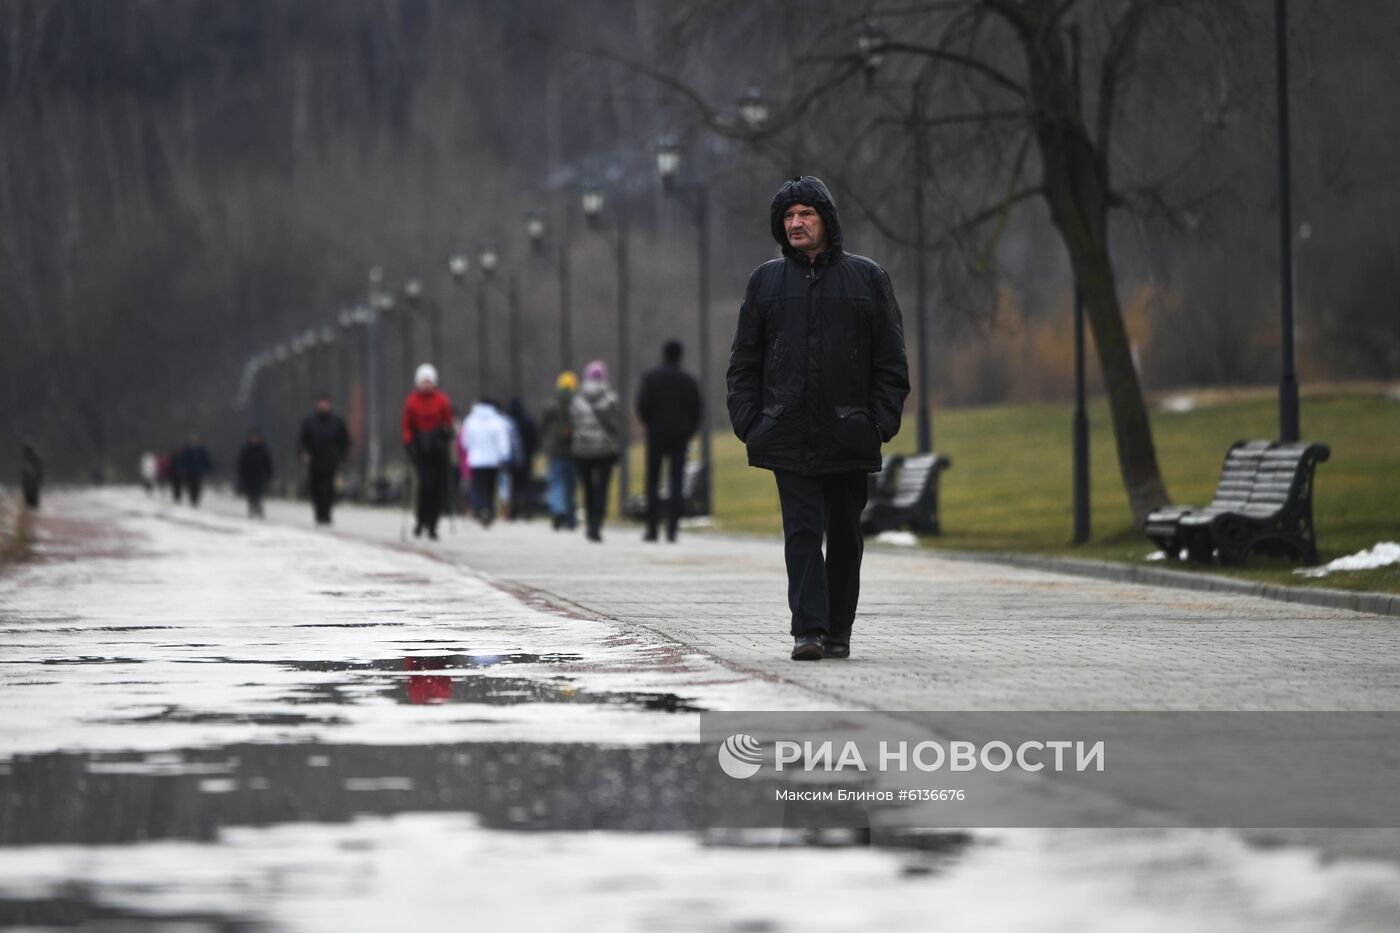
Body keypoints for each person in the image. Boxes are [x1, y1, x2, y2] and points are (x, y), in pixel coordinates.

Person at [726, 176, 909, 661]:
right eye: (788, 217)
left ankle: (838, 631)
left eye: (805, 214)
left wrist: (878, 423)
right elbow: (744, 360)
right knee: (802, 532)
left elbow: (891, 361)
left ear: (826, 220)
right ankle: (807, 630)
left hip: (849, 432)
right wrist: (751, 420)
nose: (796, 223)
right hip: (787, 431)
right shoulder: (764, 282)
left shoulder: (867, 278)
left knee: (845, 535)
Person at [636, 339, 702, 542]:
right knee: (676, 482)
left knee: (653, 480)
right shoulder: (688, 380)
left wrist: (650, 422)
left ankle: (652, 528)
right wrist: (688, 430)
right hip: (680, 435)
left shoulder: (651, 378)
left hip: (656, 433)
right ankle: (672, 529)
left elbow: (642, 404)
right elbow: (697, 409)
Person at [401, 363, 454, 540]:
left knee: (438, 487)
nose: (426, 385)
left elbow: (448, 421)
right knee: (424, 485)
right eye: (424, 381)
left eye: (429, 381)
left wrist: (447, 433)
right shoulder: (412, 401)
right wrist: (409, 442)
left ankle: (433, 523)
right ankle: (421, 519)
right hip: (421, 450)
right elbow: (407, 425)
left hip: (437, 450)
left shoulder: (441, 400)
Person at [570, 360, 621, 543]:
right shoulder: (611, 398)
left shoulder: (577, 399)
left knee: (588, 488)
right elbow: (615, 425)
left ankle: (590, 521)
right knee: (602, 488)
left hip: (582, 449)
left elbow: (574, 423)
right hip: (604, 449)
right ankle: (597, 523)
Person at [298, 393, 350, 525]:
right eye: (321, 403)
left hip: (331, 460)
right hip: (314, 460)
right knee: (315, 488)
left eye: (325, 403)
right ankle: (318, 512)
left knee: (329, 488)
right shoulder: (309, 422)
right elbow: (302, 440)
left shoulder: (337, 421)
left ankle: (327, 513)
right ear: (317, 404)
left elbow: (344, 440)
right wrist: (304, 453)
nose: (323, 405)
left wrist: (343, 455)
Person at [461, 397, 513, 527]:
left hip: (476, 460)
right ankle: (488, 509)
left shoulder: (470, 420)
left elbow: (465, 441)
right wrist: (504, 455)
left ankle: (479, 509)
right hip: (492, 460)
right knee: (490, 487)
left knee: (478, 486)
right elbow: (503, 440)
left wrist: (470, 451)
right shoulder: (497, 420)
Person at [539, 371, 578, 531]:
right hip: (574, 449)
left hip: (555, 450)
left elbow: (543, 427)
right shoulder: (577, 404)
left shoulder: (550, 404)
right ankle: (570, 517)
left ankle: (558, 510)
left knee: (556, 482)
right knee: (571, 484)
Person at [505, 398, 539, 520]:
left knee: (512, 485)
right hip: (526, 458)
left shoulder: (508, 422)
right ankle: (526, 510)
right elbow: (535, 439)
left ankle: (513, 511)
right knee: (525, 485)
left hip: (512, 459)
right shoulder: (528, 421)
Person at [236, 430, 275, 518]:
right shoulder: (246, 449)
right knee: (250, 493)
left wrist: (269, 474)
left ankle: (258, 508)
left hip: (260, 475)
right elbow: (241, 463)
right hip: (249, 475)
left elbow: (268, 463)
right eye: (253, 438)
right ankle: (252, 508)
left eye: (256, 438)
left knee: (259, 493)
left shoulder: (263, 449)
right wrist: (241, 474)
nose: (255, 439)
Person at [176, 434, 212, 507]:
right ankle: (192, 498)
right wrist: (183, 468)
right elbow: (183, 460)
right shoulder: (187, 450)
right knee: (190, 486)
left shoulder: (202, 450)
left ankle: (195, 499)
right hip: (189, 471)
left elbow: (206, 460)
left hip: (199, 471)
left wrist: (208, 468)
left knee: (198, 486)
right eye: (194, 440)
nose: (195, 442)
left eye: (196, 440)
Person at [19, 442, 42, 509]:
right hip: (30, 481)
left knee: (31, 496)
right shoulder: (27, 458)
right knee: (31, 497)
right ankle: (32, 508)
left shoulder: (32, 459)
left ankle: (32, 508)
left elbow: (38, 470)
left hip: (31, 481)